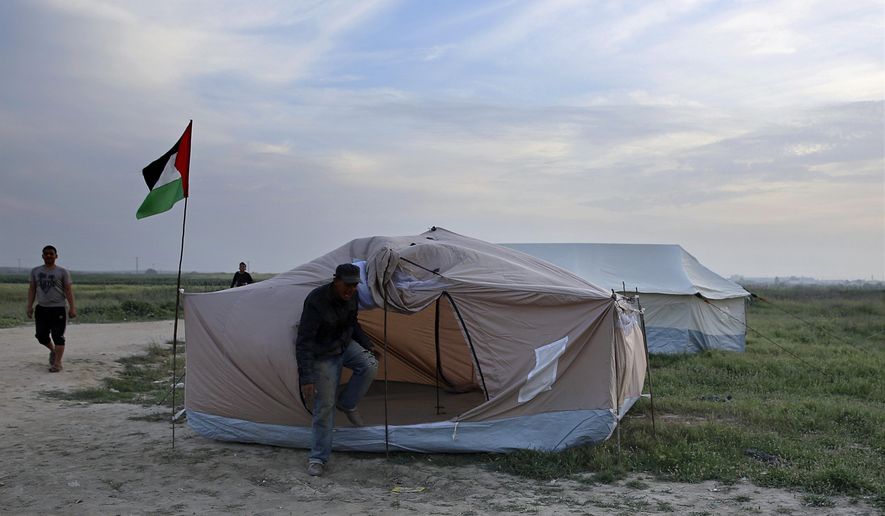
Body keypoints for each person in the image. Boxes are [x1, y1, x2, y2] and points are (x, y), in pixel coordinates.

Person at [295, 263, 378, 477]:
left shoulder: (353, 297)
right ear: (336, 281)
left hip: (343, 345)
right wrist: (306, 376)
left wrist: (368, 344)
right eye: (347, 285)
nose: (350, 290)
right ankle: (318, 458)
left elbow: (353, 324)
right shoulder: (316, 300)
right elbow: (304, 341)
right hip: (323, 354)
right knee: (325, 406)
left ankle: (348, 403)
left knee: (369, 364)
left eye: (354, 285)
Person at [26, 245, 76, 372]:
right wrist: (29, 306)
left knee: (58, 336)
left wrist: (72, 308)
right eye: (46, 254)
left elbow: (68, 290)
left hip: (58, 308)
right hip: (42, 309)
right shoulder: (35, 271)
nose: (48, 256)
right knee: (41, 335)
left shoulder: (62, 272)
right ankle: (53, 351)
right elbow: (32, 289)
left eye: (51, 254)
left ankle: (57, 364)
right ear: (42, 256)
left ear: (56, 256)